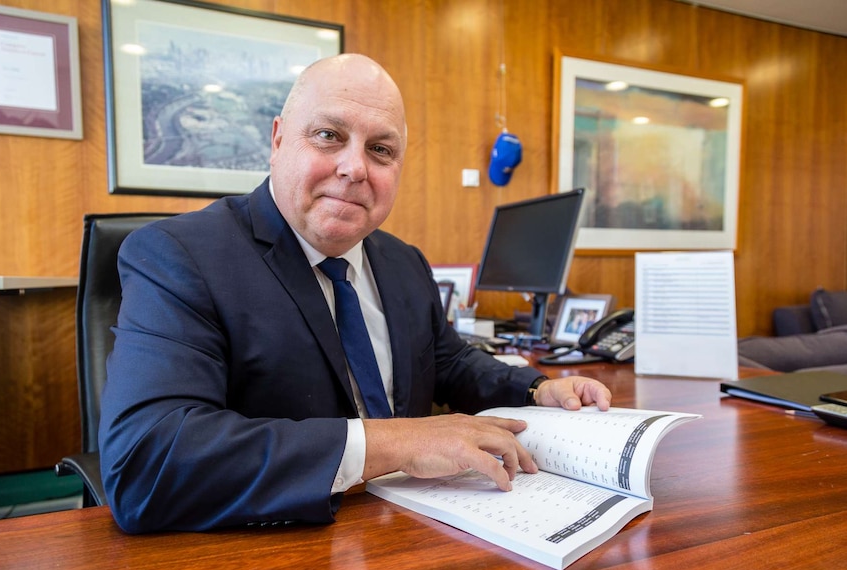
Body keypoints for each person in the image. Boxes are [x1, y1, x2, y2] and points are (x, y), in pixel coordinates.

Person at [99, 53, 612, 534]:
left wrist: (535, 389)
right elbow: (146, 463)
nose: (355, 168)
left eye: (380, 150)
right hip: (288, 540)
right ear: (278, 140)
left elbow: (449, 360)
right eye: (328, 135)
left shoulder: (402, 260)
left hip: (419, 526)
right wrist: (395, 443)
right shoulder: (180, 254)